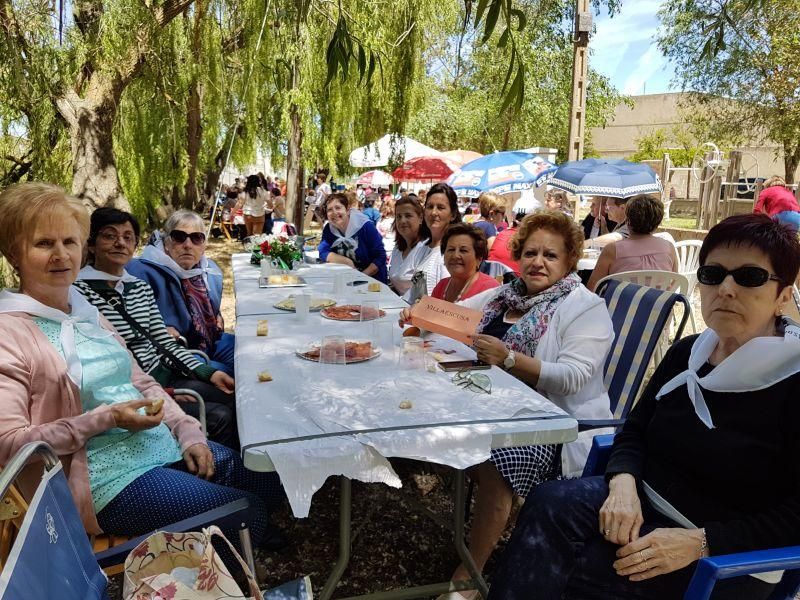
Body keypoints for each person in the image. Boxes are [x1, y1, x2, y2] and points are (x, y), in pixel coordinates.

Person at [489, 213, 800, 600]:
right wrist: (622, 484)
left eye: (749, 276)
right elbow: (635, 429)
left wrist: (700, 542)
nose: (726, 289)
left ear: (784, 294)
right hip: (643, 505)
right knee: (548, 503)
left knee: (574, 569)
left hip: (722, 554)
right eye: (713, 274)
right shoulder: (690, 352)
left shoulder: (791, 378)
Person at [0, 182, 285, 550]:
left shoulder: (87, 312)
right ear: (13, 253)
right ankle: (231, 555)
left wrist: (189, 433)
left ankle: (242, 542)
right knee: (243, 511)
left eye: (69, 242)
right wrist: (108, 418)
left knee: (266, 478)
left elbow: (144, 384)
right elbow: (10, 446)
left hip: (156, 445)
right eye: (44, 244)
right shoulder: (9, 331)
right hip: (104, 479)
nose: (61, 255)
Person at [435, 211, 615, 599]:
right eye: (530, 252)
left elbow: (573, 376)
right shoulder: (505, 294)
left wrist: (510, 359)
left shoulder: (585, 307)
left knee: (500, 458)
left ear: (570, 261)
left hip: (554, 424)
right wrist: (418, 314)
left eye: (551, 255)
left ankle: (469, 575)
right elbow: (454, 314)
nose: (538, 262)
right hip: (487, 404)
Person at [73, 208, 240, 449]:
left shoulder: (138, 287)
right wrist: (165, 392)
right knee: (219, 416)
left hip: (164, 374)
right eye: (110, 236)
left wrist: (207, 373)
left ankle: (238, 465)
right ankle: (207, 466)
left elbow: (163, 341)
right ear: (91, 245)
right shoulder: (80, 293)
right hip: (134, 392)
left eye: (128, 237)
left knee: (232, 396)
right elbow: (109, 366)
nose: (120, 243)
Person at [127, 210, 236, 377]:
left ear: (203, 245)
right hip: (173, 353)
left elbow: (209, 307)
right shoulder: (142, 272)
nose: (188, 244)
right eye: (179, 237)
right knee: (233, 374)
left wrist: (217, 315)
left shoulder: (209, 270)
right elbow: (129, 323)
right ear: (166, 243)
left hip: (211, 342)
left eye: (196, 238)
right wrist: (158, 329)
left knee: (248, 354)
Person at [588, 195, 678, 291]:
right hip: (659, 304)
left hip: (619, 305)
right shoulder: (669, 248)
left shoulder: (613, 250)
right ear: (658, 222)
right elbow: (675, 281)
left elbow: (592, 288)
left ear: (628, 219)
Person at [405, 182, 463, 303]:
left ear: (452, 215)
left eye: (440, 208)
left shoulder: (453, 251)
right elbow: (413, 292)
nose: (433, 213)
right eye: (430, 207)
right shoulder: (422, 247)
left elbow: (449, 300)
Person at [317, 192, 388, 283]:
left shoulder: (365, 226)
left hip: (373, 281)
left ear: (347, 210)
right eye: (329, 210)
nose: (334, 212)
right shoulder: (329, 229)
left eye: (338, 208)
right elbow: (323, 252)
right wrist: (346, 261)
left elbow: (380, 257)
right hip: (345, 280)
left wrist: (360, 277)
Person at [389, 195, 428, 295]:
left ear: (420, 218)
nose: (402, 221)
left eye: (408, 216)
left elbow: (422, 293)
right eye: (399, 216)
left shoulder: (425, 249)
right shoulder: (398, 249)